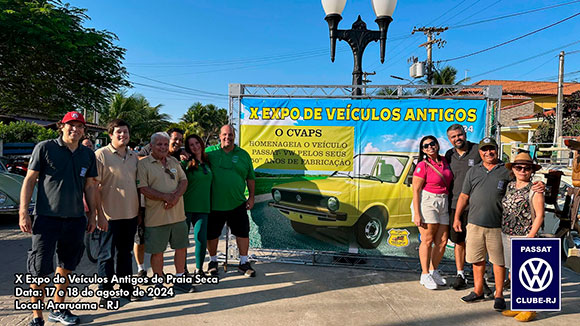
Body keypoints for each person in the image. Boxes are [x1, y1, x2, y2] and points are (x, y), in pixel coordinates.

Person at [19, 111, 97, 326]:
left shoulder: (87, 154)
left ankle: (58, 308)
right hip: (46, 218)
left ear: (84, 131)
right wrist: (23, 212)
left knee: (67, 265)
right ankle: (37, 316)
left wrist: (93, 214)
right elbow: (30, 179)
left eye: (80, 126)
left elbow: (90, 186)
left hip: (75, 219)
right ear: (61, 127)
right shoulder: (45, 148)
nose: (75, 129)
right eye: (70, 125)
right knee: (39, 269)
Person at [453, 137, 507, 311]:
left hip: (497, 226)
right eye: (484, 150)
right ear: (480, 152)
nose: (488, 152)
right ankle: (478, 291)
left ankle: (499, 295)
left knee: (498, 262)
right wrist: (456, 218)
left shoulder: (506, 171)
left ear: (496, 150)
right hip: (474, 224)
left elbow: (522, 184)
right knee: (477, 260)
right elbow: (463, 196)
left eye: (491, 149)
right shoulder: (473, 171)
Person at [137, 132, 192, 293]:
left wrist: (174, 197)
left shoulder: (174, 161)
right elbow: (143, 188)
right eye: (158, 144)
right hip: (156, 218)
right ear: (151, 145)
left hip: (178, 215)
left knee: (181, 248)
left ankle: (180, 278)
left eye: (164, 144)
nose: (162, 147)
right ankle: (159, 282)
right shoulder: (144, 164)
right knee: (158, 252)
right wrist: (165, 197)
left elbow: (184, 181)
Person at [94, 119, 140, 304]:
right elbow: (94, 187)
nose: (123, 135)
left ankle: (126, 288)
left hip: (130, 215)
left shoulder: (133, 156)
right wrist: (99, 214)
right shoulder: (101, 155)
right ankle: (105, 292)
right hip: (109, 216)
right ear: (111, 134)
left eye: (126, 132)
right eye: (119, 132)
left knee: (125, 253)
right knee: (106, 255)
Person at [206, 125, 256, 277]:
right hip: (214, 204)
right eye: (225, 135)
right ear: (219, 136)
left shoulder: (244, 155)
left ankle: (243, 262)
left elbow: (250, 178)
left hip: (237, 203)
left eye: (231, 135)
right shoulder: (209, 153)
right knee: (212, 234)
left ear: (235, 136)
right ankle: (213, 261)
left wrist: (252, 197)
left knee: (242, 233)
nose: (228, 137)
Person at [500, 152, 544, 322]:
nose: (523, 170)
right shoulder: (510, 185)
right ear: (513, 169)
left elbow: (539, 215)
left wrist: (530, 236)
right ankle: (518, 305)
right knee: (512, 274)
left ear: (532, 170)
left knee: (525, 273)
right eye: (519, 167)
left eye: (527, 168)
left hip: (525, 236)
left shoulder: (535, 189)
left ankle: (530, 308)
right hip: (508, 234)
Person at [444, 124, 483, 291]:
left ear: (465, 134)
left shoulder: (478, 150)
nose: (457, 139)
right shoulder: (449, 155)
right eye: (453, 137)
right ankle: (460, 274)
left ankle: (478, 276)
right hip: (455, 205)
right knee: (459, 241)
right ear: (449, 139)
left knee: (478, 242)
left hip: (477, 205)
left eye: (459, 135)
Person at [412, 136, 453, 290]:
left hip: (444, 201)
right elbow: (415, 190)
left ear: (437, 144)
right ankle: (424, 274)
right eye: (426, 146)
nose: (430, 147)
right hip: (428, 201)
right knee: (427, 240)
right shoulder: (423, 165)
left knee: (442, 241)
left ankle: (433, 270)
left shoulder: (445, 161)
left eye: (432, 144)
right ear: (422, 150)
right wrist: (417, 213)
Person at [181, 134, 212, 276]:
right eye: (191, 145)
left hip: (203, 207)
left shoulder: (208, 161)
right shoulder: (185, 162)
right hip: (185, 207)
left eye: (197, 143)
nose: (195, 146)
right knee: (183, 241)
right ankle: (182, 270)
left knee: (200, 238)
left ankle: (199, 269)